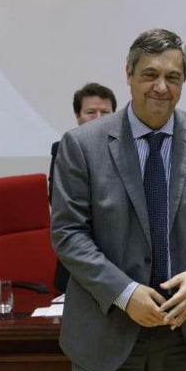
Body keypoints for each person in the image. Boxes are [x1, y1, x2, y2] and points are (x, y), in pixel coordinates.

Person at [50, 28, 186, 371]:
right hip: (106, 332)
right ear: (128, 74)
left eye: (172, 77)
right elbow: (68, 234)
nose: (161, 87)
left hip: (185, 333)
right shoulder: (81, 145)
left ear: (183, 82)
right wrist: (124, 293)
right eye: (149, 74)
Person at [49, 82, 117, 293]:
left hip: (121, 264)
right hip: (78, 264)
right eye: (90, 112)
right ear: (78, 116)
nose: (98, 118)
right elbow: (58, 200)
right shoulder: (63, 150)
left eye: (105, 112)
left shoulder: (131, 152)